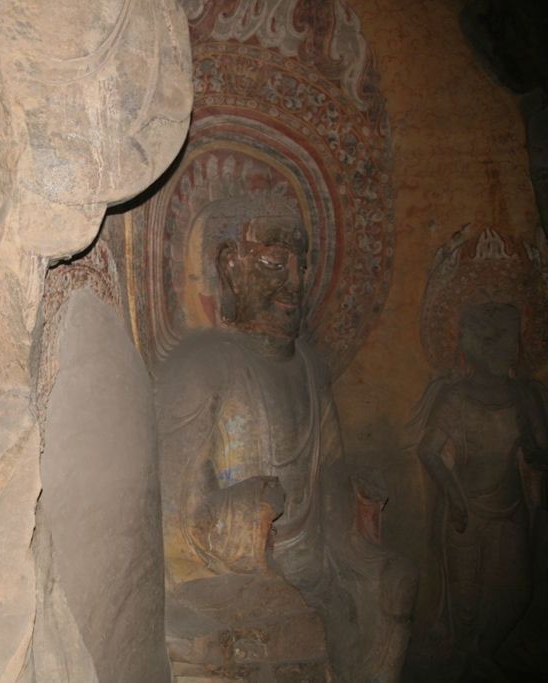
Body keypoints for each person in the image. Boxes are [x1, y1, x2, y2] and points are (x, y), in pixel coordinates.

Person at [156, 210, 415, 681]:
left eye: (302, 267)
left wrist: (355, 495)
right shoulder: (201, 368)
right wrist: (248, 505)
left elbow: (329, 471)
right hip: (239, 574)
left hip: (318, 565)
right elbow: (177, 515)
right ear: (231, 266)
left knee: (392, 587)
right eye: (276, 265)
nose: (295, 283)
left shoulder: (311, 369)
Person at [414, 301, 548, 678]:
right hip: (467, 511)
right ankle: (466, 656)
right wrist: (455, 497)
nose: (497, 348)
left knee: (517, 593)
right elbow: (429, 451)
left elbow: (540, 450)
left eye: (506, 338)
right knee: (466, 600)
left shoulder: (525, 396)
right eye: (486, 338)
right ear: (467, 344)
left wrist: (535, 452)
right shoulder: (454, 398)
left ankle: (483, 653)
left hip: (510, 508)